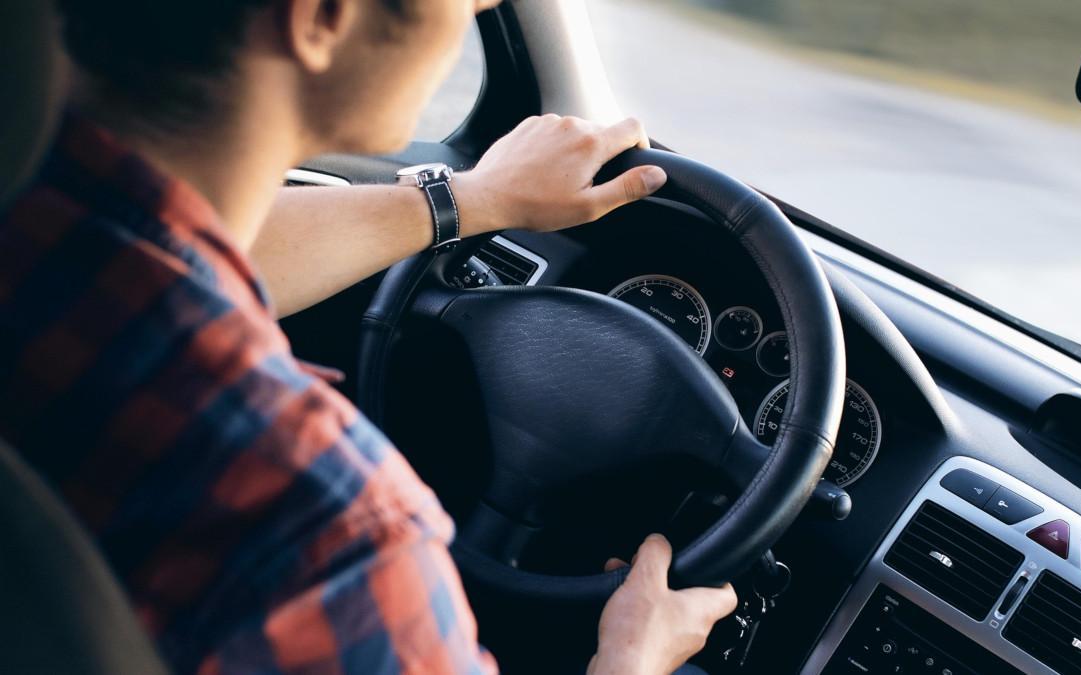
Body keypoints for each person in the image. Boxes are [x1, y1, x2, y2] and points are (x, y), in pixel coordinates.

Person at [0, 0, 737, 673]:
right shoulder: (326, 534)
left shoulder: (40, 225)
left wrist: (473, 199)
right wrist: (632, 656)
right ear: (321, 16)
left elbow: (183, 249)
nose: (482, 5)